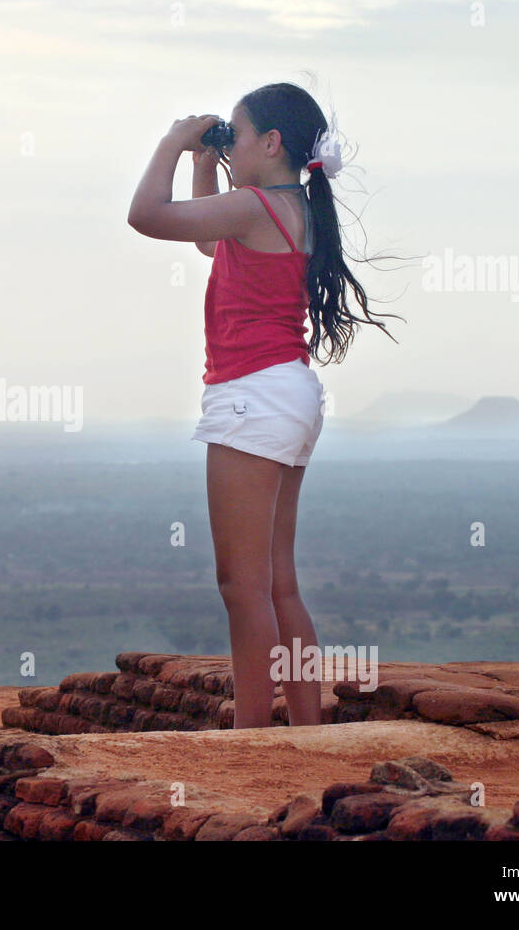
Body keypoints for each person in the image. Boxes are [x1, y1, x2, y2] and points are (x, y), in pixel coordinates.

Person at [127, 82, 401, 729]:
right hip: (288, 394)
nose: (233, 146)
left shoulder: (254, 207)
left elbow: (146, 216)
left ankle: (251, 738)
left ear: (271, 143)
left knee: (241, 587)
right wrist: (204, 161)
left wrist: (171, 141)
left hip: (251, 398)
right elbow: (204, 240)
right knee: (279, 585)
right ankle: (305, 732)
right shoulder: (291, 206)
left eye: (240, 136)